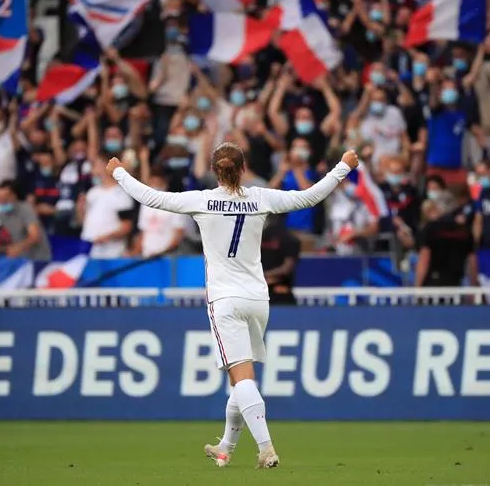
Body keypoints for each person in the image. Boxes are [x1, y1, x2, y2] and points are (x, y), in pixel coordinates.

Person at [106, 143, 360, 470]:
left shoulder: (201, 200)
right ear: (243, 169)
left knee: (242, 379)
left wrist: (118, 172)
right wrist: (343, 166)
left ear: (215, 171)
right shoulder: (261, 197)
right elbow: (309, 196)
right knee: (239, 380)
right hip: (258, 298)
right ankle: (225, 448)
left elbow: (152, 197)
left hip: (225, 300)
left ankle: (266, 448)